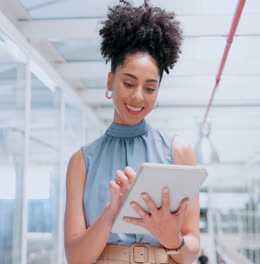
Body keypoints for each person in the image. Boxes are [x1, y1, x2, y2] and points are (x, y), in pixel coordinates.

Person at [64, 1, 200, 263]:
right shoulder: (81, 162)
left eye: (149, 88)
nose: (138, 97)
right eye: (128, 83)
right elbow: (75, 257)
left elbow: (191, 249)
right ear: (110, 81)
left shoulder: (178, 151)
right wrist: (111, 213)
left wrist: (169, 235)